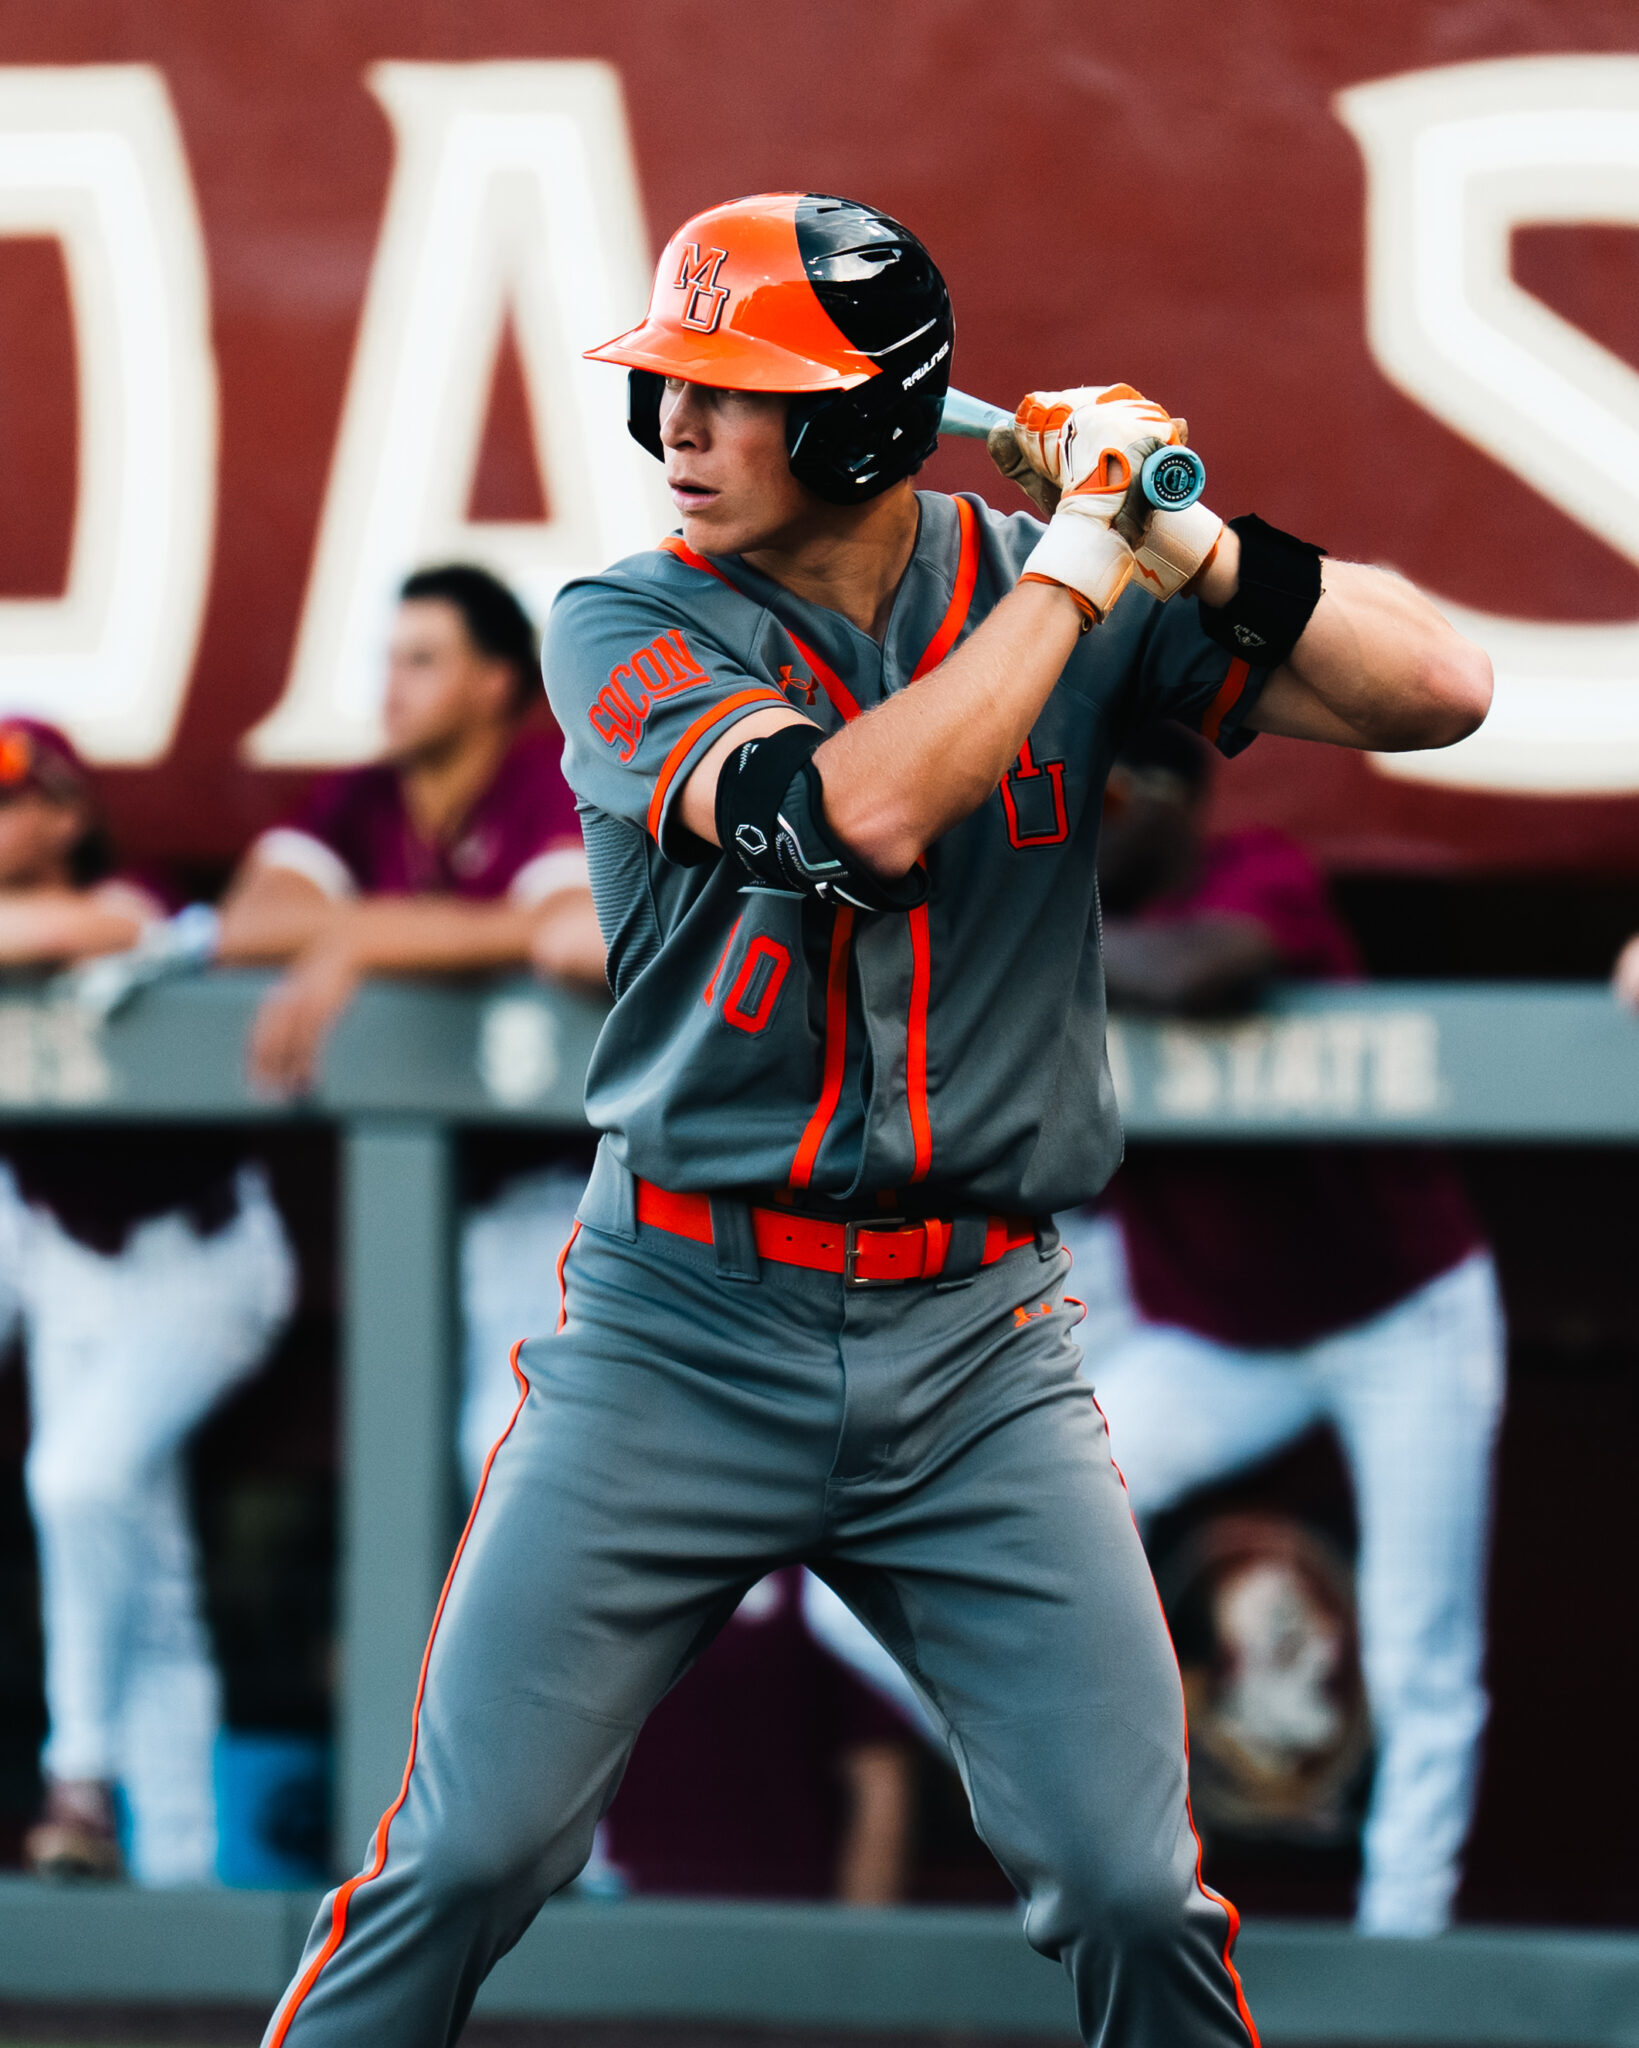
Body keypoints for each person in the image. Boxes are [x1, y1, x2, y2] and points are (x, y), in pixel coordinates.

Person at [261, 192, 1489, 2048]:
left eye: (728, 390)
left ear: (855, 420)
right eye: (665, 386)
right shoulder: (623, 619)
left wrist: (1188, 538)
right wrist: (1082, 566)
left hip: (974, 1343)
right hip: (680, 1322)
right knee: (465, 1855)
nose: (673, 426)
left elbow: (1439, 692)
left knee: (1136, 1886)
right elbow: (858, 814)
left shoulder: (1045, 569)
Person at [1057, 720, 1506, 1937]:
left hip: (1397, 1315)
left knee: (1421, 1648)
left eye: (1086, 792)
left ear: (1155, 799)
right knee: (1014, 1518)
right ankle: (1088, 1821)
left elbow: (1213, 966)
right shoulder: (1045, 906)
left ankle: (1400, 1958)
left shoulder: (1258, 868)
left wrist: (1026, 952)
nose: (1056, 819)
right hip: (1218, 1338)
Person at [216, 563, 607, 1498]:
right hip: (428, 1200)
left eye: (423, 660)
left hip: (572, 1193)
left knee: (508, 1461)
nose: (392, 686)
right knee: (420, 1471)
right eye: (389, 659)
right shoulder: (365, 797)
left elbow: (558, 931)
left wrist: (369, 934)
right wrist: (374, 934)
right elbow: (247, 926)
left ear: (495, 682)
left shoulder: (551, 776)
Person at [0, 719, 297, 1885]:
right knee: (154, 1579)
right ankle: (181, 1873)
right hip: (71, 1263)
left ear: (67, 810)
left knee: (75, 1478)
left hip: (200, 1259)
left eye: (18, 797)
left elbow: (111, 925)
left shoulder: (133, 886)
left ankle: (76, 1774)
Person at [602, 1566, 918, 1904]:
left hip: (784, 1919)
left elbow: (878, 1774)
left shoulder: (820, 1589)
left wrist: (858, 1946)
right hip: (623, 1911)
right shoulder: (609, 1568)